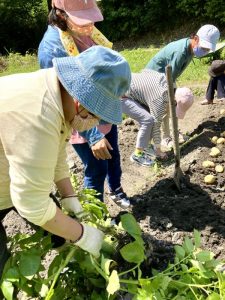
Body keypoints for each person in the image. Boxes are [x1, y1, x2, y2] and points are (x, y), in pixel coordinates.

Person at [0, 46, 131, 277]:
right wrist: (83, 234)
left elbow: (56, 154)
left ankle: (71, 267)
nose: (96, 123)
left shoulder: (56, 92)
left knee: (58, 228)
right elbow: (33, 205)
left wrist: (69, 197)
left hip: (11, 173)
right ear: (81, 103)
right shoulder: (39, 113)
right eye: (97, 116)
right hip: (10, 181)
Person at [38, 0, 130, 208]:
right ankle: (96, 216)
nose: (89, 27)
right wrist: (94, 135)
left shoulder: (85, 31)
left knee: (112, 155)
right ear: (60, 14)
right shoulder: (51, 50)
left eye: (91, 19)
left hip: (100, 109)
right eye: (83, 21)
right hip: (82, 118)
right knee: (96, 169)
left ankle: (115, 189)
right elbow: (62, 99)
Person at [145, 24, 220, 149]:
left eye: (207, 49)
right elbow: (168, 79)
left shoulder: (190, 49)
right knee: (165, 106)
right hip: (154, 78)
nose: (205, 51)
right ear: (196, 39)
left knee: (172, 104)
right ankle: (165, 138)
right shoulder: (181, 52)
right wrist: (172, 95)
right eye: (204, 47)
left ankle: (172, 132)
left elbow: (171, 76)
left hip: (166, 76)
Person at [122, 69, 194, 166]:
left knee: (152, 116)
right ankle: (137, 155)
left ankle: (147, 146)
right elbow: (156, 126)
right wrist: (158, 150)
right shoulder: (159, 100)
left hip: (128, 80)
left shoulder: (169, 82)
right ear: (174, 101)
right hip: (120, 92)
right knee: (148, 120)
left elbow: (146, 71)